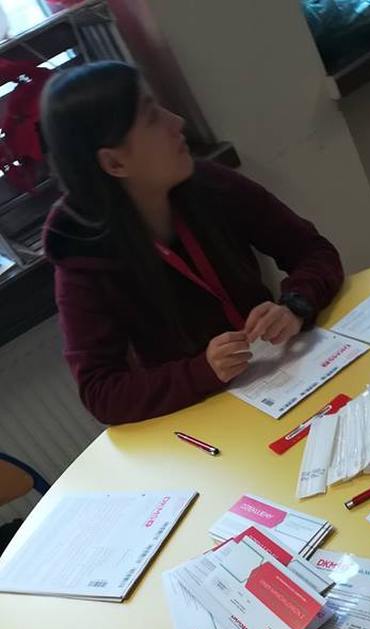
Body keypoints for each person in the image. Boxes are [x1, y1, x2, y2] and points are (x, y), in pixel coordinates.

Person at [41, 61, 344, 425]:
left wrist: (295, 305)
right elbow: (100, 392)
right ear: (115, 163)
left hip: (284, 375)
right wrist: (202, 370)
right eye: (152, 117)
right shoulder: (80, 250)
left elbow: (313, 250)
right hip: (200, 417)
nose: (177, 122)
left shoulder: (208, 182)